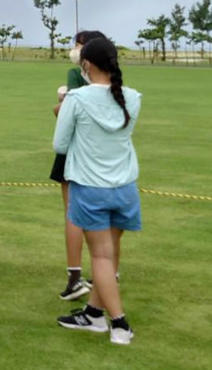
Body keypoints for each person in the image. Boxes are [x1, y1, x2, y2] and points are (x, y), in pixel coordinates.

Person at [53, 37, 141, 346]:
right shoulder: (132, 97)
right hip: (125, 187)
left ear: (86, 65)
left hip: (91, 187)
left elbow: (60, 144)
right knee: (110, 254)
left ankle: (118, 323)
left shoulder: (77, 98)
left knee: (102, 257)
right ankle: (93, 312)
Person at [50, 29, 106, 300]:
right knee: (102, 216)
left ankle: (75, 276)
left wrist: (59, 105)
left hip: (75, 150)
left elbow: (65, 114)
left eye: (78, 46)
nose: (74, 49)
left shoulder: (75, 76)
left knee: (73, 213)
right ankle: (107, 270)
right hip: (103, 154)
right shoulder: (119, 86)